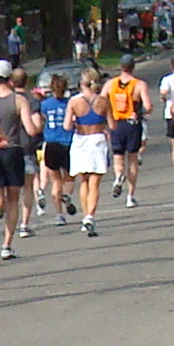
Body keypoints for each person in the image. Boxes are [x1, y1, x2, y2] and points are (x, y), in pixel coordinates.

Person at [0, 60, 36, 258]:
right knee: (13, 199)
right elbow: (30, 129)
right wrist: (39, 127)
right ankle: (6, 244)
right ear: (10, 78)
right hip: (12, 151)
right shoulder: (19, 100)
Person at [66, 68, 111, 234]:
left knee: (83, 181)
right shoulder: (103, 101)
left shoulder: (74, 102)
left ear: (81, 83)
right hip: (97, 140)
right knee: (95, 183)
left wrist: (75, 120)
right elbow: (112, 125)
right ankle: (90, 216)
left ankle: (85, 216)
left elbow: (67, 126)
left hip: (80, 141)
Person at [104, 61, 150, 206]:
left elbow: (100, 100)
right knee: (133, 159)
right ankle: (130, 196)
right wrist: (141, 112)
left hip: (116, 123)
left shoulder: (111, 84)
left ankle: (118, 176)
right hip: (132, 124)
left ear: (120, 67)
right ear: (133, 67)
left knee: (118, 157)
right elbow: (148, 107)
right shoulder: (139, 85)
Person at [36, 73, 75, 225]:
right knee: (69, 177)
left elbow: (42, 120)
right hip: (67, 142)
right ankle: (67, 194)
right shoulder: (70, 103)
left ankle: (59, 214)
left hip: (51, 143)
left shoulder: (45, 105)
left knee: (55, 181)